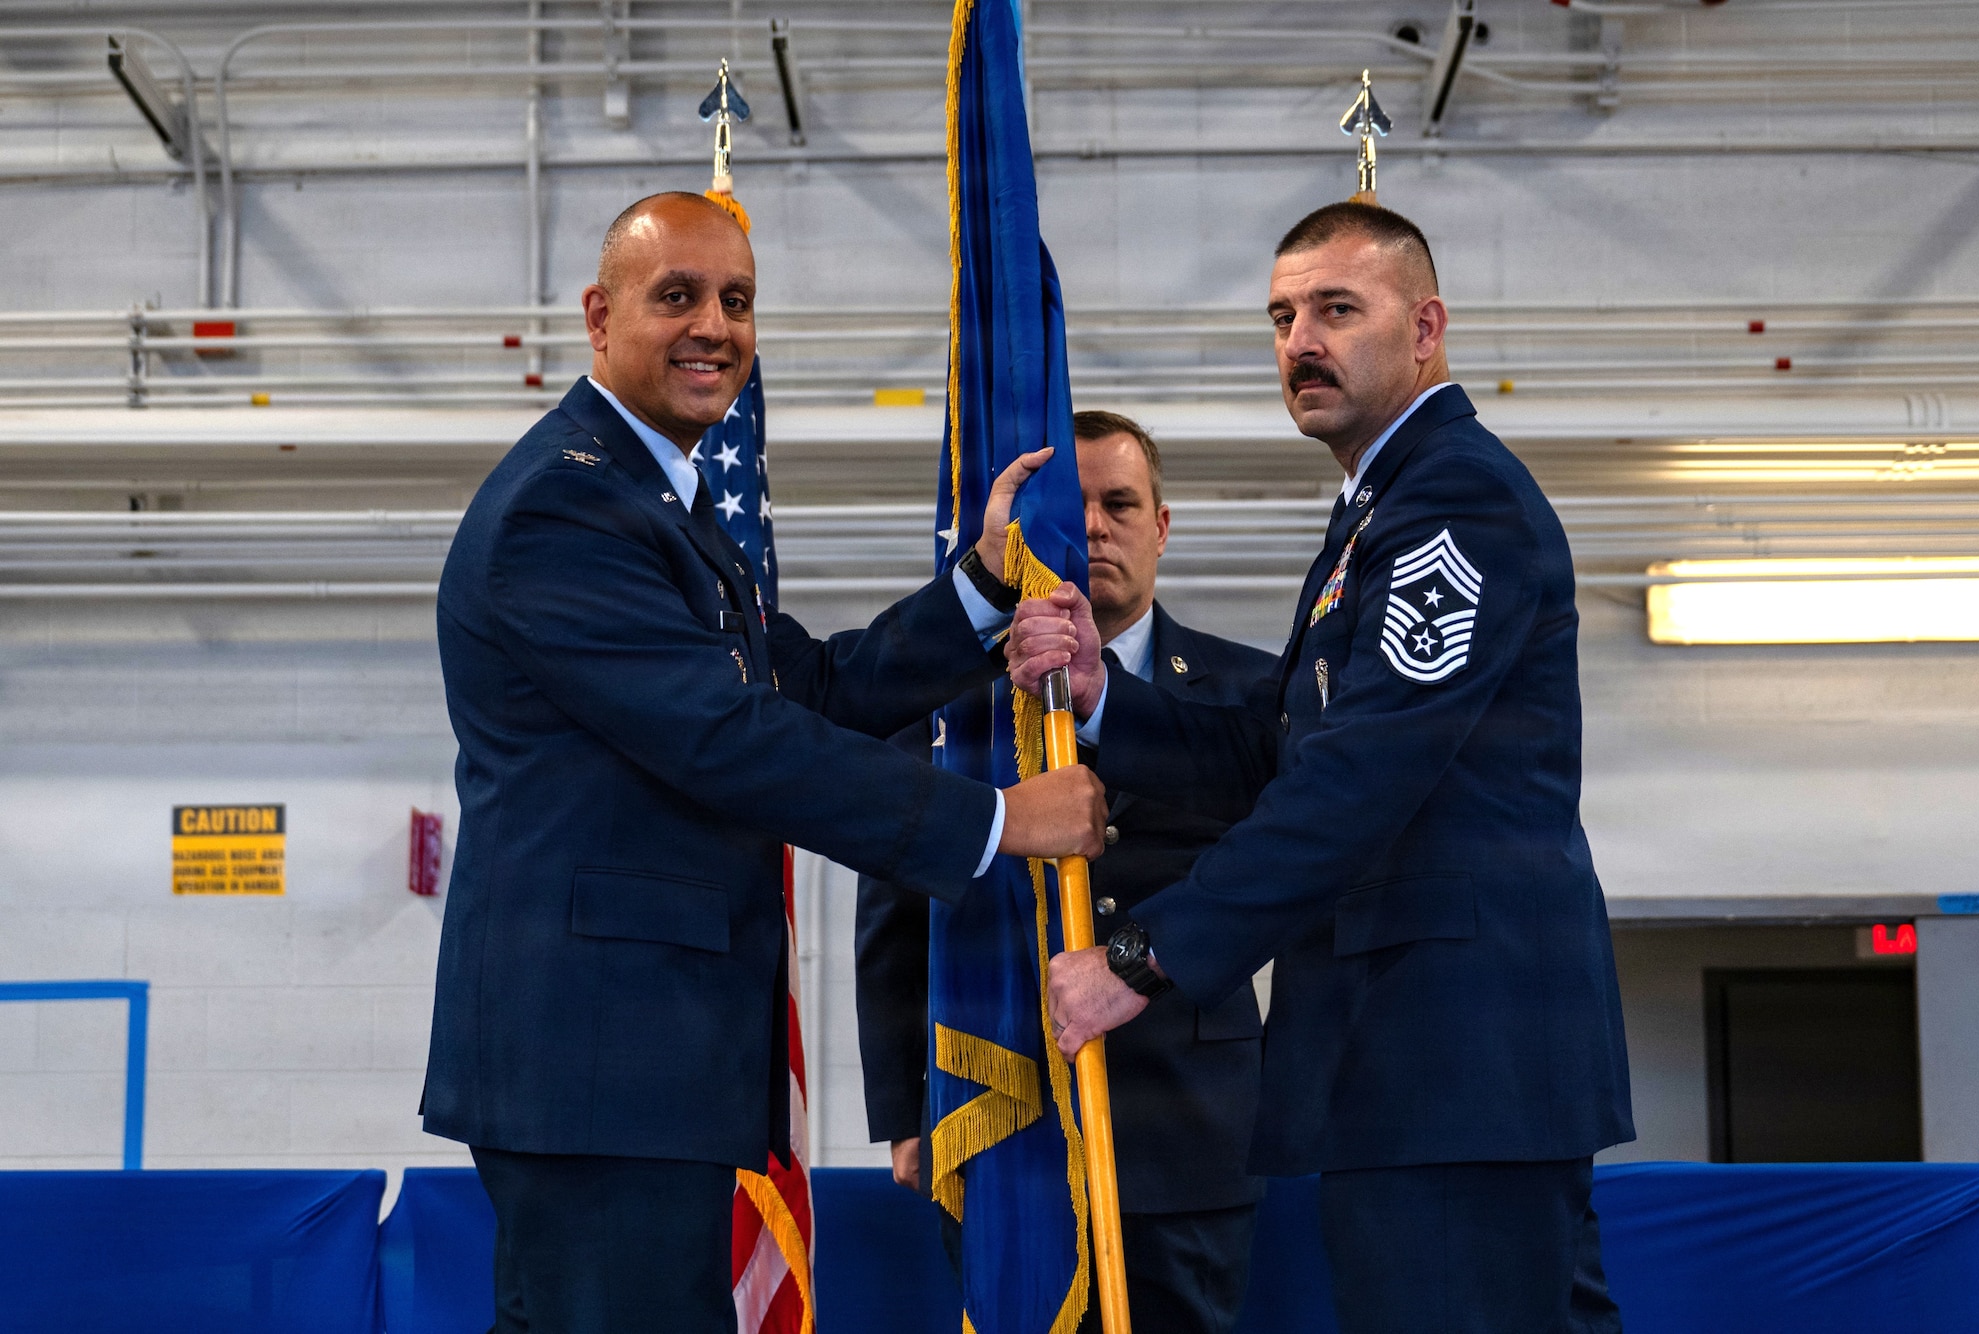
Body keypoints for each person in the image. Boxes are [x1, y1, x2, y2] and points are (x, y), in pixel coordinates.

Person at [422, 191, 1105, 1334]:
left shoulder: (660, 506)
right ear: (599, 318)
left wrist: (979, 590)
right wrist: (996, 821)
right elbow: (726, 739)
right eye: (676, 295)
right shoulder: (567, 507)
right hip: (600, 1069)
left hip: (636, 1072)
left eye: (736, 300)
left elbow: (811, 688)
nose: (715, 327)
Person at [1009, 202, 1634, 1333]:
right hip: (1420, 1065)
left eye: (1337, 309)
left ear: (1425, 325)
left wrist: (1139, 959)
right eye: (1283, 315)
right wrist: (1111, 701)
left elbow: (1353, 784)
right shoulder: (1374, 510)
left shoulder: (1453, 499)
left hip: (1452, 1058)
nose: (1301, 339)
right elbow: (1279, 739)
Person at [855, 411, 1278, 1334]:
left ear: (1161, 525)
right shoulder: (948, 711)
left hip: (1187, 1122)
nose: (1091, 528)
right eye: (1069, 506)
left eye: (1119, 504)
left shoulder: (1251, 695)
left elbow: (1285, 877)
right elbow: (893, 904)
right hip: (1000, 1114)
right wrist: (903, 1106)